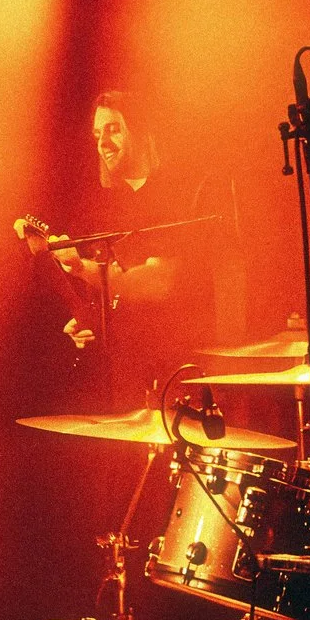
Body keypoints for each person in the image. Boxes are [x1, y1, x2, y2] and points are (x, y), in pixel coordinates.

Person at [16, 89, 216, 405]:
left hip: (178, 366)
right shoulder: (106, 208)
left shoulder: (175, 193)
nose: (103, 143)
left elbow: (157, 283)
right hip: (124, 374)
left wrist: (79, 267)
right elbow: (112, 293)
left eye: (114, 130)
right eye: (98, 134)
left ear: (141, 130)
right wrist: (88, 320)